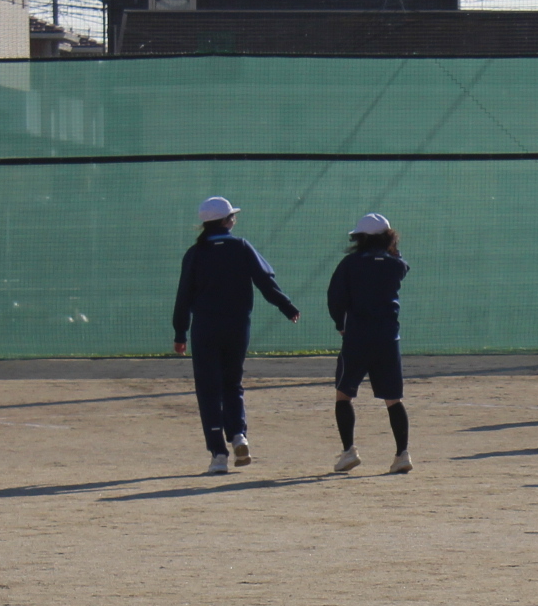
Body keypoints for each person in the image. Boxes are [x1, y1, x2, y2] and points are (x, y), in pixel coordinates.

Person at [171, 195, 300, 475]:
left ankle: (218, 454)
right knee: (232, 383)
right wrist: (286, 306)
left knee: (208, 389)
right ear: (227, 221)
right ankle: (239, 434)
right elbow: (265, 281)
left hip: (205, 328)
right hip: (237, 326)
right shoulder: (241, 247)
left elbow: (184, 295)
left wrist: (180, 331)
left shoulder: (195, 253)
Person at [326, 212, 413, 476]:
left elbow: (335, 296)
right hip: (388, 338)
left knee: (344, 394)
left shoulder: (350, 263)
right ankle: (402, 454)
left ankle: (349, 451)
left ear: (361, 238)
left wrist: (340, 323)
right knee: (393, 398)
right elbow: (401, 263)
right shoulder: (396, 265)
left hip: (357, 336)